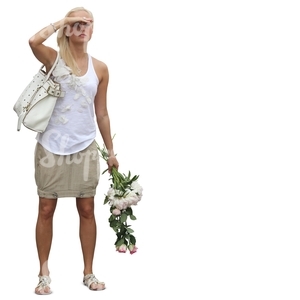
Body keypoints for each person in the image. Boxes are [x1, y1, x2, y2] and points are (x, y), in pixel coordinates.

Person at [28, 7, 119, 295]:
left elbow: (101, 113)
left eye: (87, 23)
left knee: (88, 209)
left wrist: (111, 150)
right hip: (51, 146)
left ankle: (88, 272)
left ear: (93, 31)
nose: (82, 27)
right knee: (46, 208)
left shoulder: (100, 68)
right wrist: (62, 22)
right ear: (68, 29)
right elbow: (33, 42)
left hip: (84, 147)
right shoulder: (53, 59)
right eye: (76, 23)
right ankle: (43, 272)